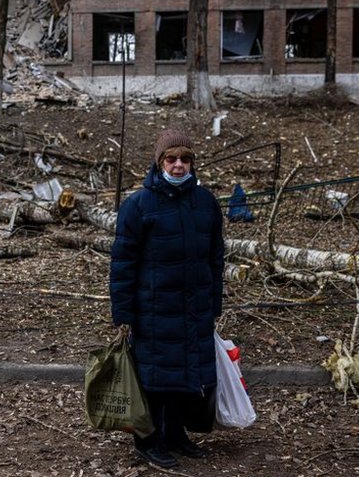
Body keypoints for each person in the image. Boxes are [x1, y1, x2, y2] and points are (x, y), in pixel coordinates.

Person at [109, 129, 225, 469]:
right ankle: (147, 441)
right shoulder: (138, 205)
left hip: (193, 308)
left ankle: (175, 435)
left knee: (185, 377)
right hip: (154, 310)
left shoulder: (205, 203)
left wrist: (214, 304)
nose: (178, 166)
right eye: (171, 159)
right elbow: (123, 263)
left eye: (185, 159)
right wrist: (124, 313)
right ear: (159, 162)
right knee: (154, 380)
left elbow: (215, 258)